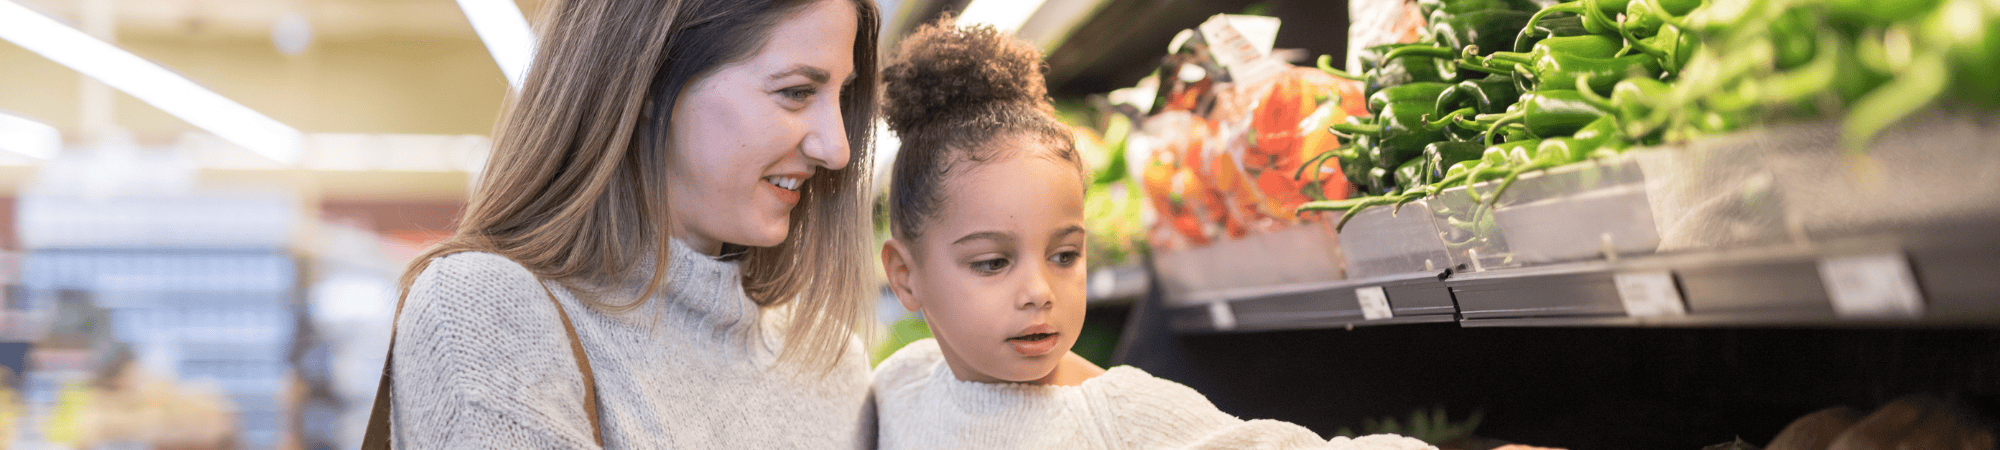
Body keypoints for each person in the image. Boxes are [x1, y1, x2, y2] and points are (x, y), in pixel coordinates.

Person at [870, 18, 1437, 450]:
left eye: (1064, 255)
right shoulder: (899, 384)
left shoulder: (1124, 415)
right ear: (905, 276)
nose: (1039, 290)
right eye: (992, 263)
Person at [374, 0, 882, 448]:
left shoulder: (833, 366)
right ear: (649, 86)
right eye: (795, 92)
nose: (837, 149)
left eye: (842, 98)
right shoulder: (483, 308)